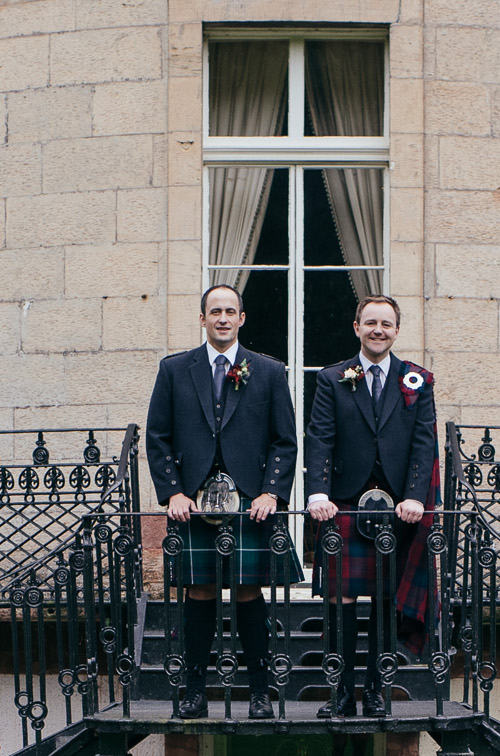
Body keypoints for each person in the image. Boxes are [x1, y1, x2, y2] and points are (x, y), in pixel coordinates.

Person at [142, 283, 302, 719]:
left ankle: (259, 693)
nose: (223, 318)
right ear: (202, 319)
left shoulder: (268, 371)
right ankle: (194, 691)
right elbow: (157, 437)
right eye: (215, 311)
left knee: (250, 591)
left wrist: (272, 492)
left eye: (231, 311)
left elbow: (284, 441)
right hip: (193, 501)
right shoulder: (175, 369)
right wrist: (172, 491)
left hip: (251, 499)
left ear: (242, 318)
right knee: (200, 590)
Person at [304, 295, 438, 718]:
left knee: (385, 600)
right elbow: (320, 437)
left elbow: (424, 443)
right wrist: (318, 493)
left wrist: (416, 495)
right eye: (370, 322)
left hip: (398, 509)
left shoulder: (417, 380)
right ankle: (341, 693)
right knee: (339, 601)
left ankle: (376, 691)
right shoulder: (332, 378)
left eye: (386, 323)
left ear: (397, 330)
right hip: (343, 504)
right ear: (356, 327)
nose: (378, 329)